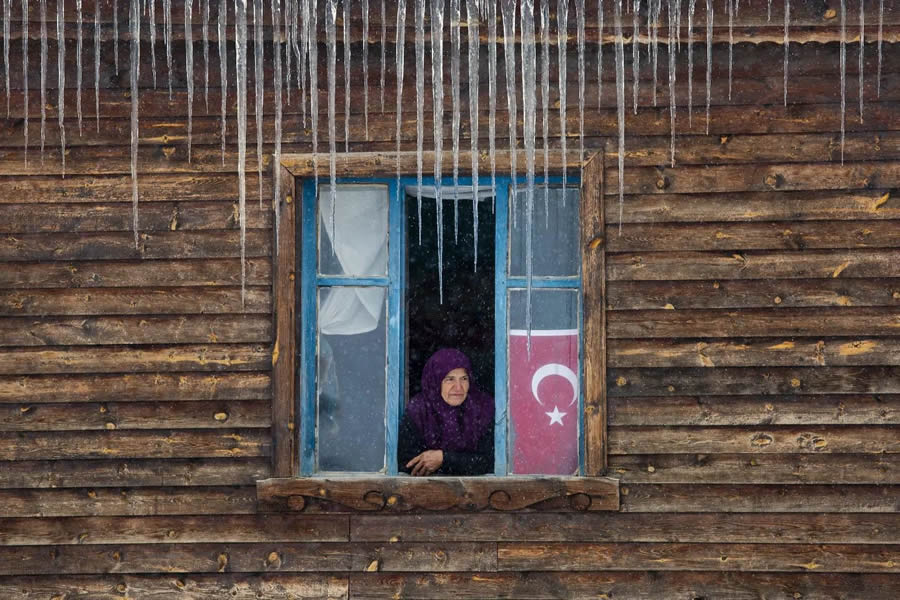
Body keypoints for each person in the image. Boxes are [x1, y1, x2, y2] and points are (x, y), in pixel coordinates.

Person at [398, 348, 494, 476]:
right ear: (435, 381)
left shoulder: (483, 409)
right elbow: (408, 464)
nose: (459, 387)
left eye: (464, 379)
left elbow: (490, 462)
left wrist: (444, 459)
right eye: (450, 379)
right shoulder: (419, 411)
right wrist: (463, 464)